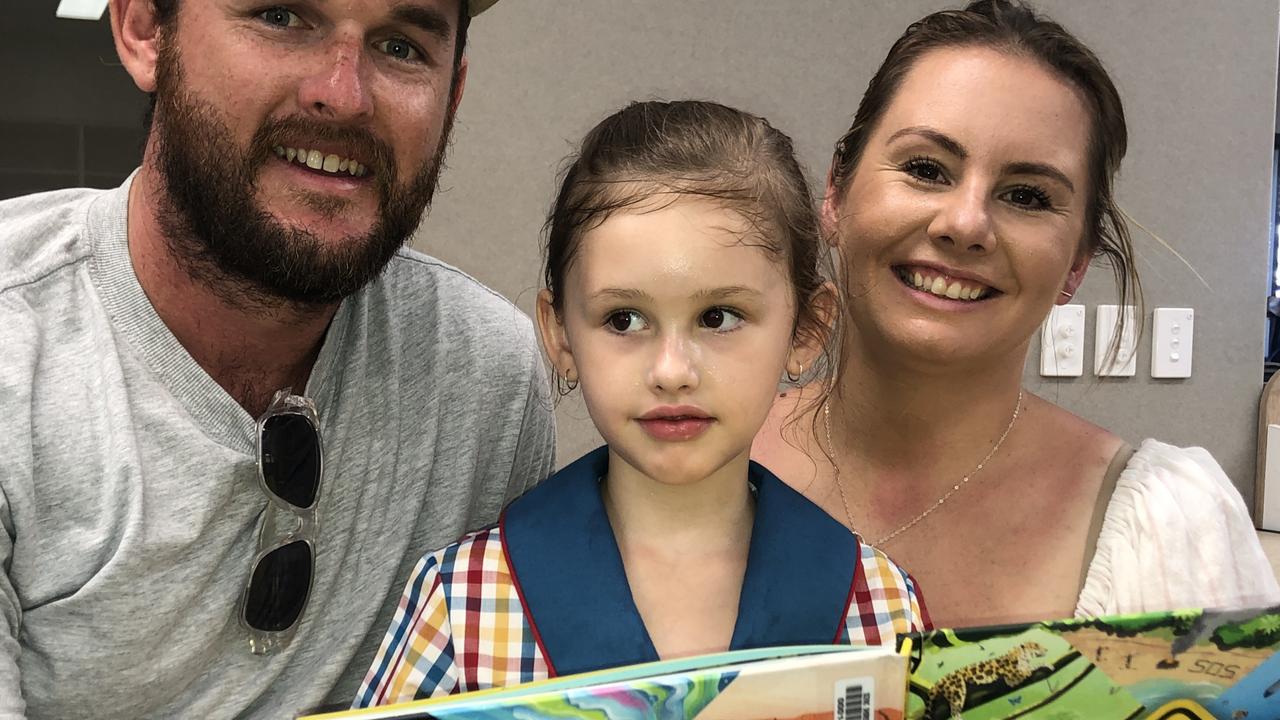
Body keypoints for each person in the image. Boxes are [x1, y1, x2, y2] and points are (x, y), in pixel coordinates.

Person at [0, 0, 554, 718]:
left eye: (402, 46)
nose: (344, 95)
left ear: (452, 94)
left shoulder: (487, 382)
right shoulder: (18, 347)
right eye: (282, 17)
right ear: (144, 29)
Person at [353, 99, 929, 707]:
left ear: (806, 330)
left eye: (719, 317)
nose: (672, 371)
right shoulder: (465, 599)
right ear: (559, 334)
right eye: (623, 319)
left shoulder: (878, 603)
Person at [754, 0, 1280, 629]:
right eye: (926, 169)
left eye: (1027, 196)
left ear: (1077, 263)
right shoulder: (689, 458)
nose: (966, 224)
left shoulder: (1168, 533)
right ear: (837, 193)